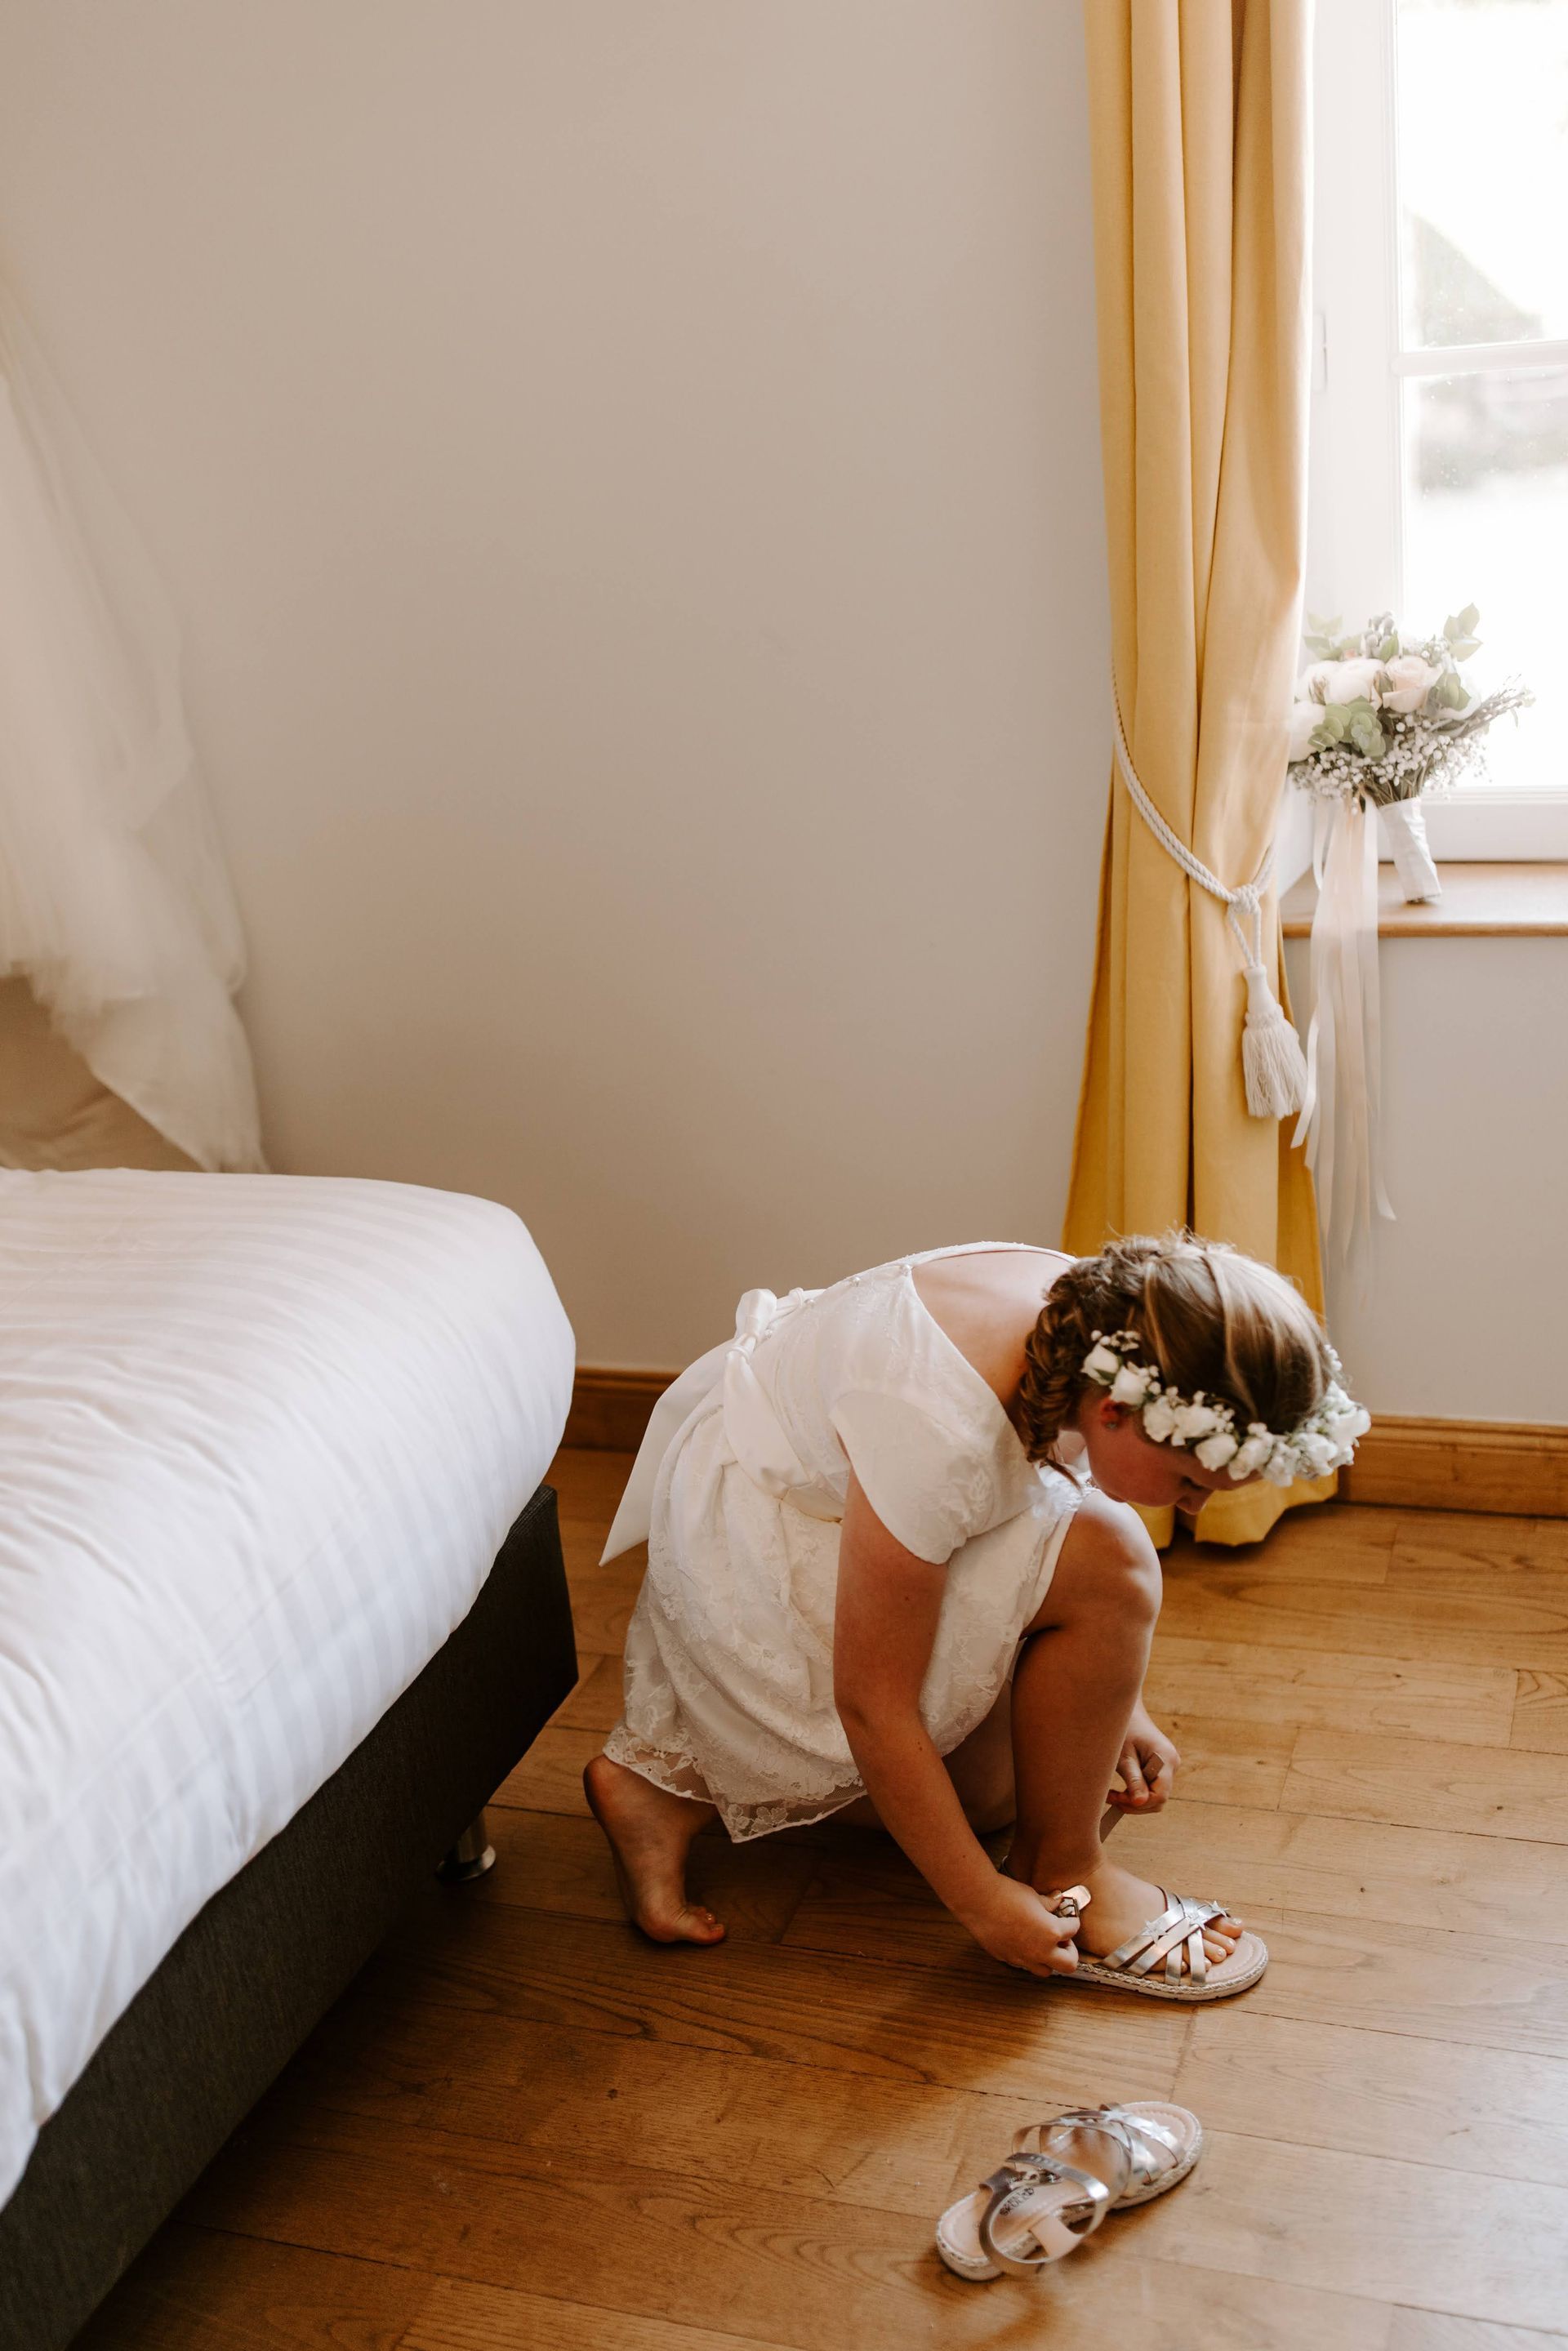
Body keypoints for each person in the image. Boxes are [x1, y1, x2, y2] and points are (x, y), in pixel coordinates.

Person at [585, 1232, 1368, 1998]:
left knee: (1000, 1794)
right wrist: (978, 1904)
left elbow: (1056, 1467)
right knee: (1117, 1560)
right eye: (1191, 1480)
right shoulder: (939, 1427)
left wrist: (1122, 1700)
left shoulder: (1102, 1318)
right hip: (769, 1540)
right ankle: (1065, 1871)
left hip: (861, 1491)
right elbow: (873, 1702)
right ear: (1121, 1411)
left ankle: (665, 1787)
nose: (1194, 1507)